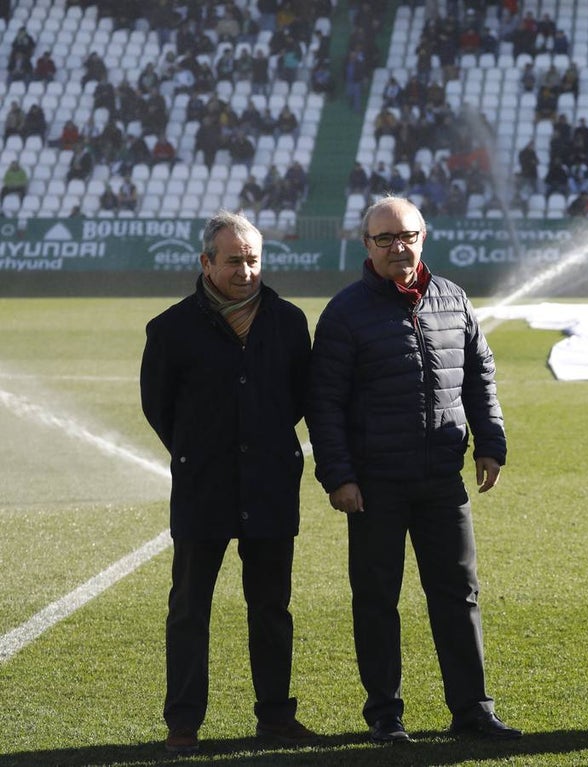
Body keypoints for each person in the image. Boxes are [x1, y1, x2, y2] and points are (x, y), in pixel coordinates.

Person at [306, 196, 521, 744]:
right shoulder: (345, 312)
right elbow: (324, 403)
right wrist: (339, 477)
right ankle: (384, 715)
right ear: (366, 246)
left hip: (442, 480)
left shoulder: (452, 298)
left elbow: (480, 375)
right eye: (386, 239)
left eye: (408, 236)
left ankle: (472, 709)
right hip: (374, 485)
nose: (399, 247)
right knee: (377, 598)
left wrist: (490, 443)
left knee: (458, 593)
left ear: (423, 237)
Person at [140, 211, 315, 755]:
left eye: (254, 259)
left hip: (269, 484)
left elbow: (301, 398)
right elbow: (158, 407)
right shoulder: (169, 328)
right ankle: (184, 724)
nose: (245, 270)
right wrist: (198, 453)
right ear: (206, 262)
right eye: (234, 260)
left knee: (271, 607)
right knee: (190, 607)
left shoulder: (288, 321)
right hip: (203, 488)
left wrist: (261, 443)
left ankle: (275, 718)